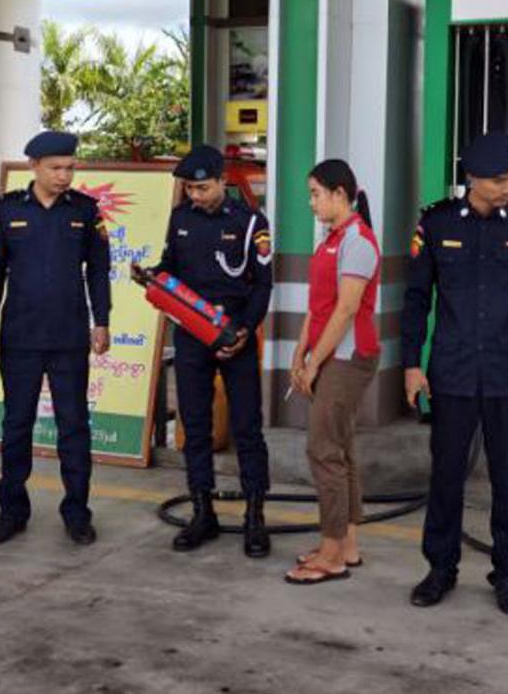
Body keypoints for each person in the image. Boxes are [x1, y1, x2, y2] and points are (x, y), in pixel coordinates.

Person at [402, 132, 508, 614]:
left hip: (507, 371)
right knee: (446, 474)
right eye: (498, 180)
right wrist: (411, 364)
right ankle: (440, 568)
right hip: (452, 371)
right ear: (471, 178)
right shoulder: (436, 223)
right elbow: (416, 300)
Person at [0, 131, 111, 548]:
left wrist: (102, 321)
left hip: (69, 337)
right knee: (16, 426)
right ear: (33, 166)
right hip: (21, 336)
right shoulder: (8, 211)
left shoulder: (85, 211)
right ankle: (12, 512)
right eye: (55, 168)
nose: (64, 176)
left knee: (74, 428)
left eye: (70, 168)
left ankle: (77, 514)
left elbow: (98, 271)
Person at [145, 145, 275, 557]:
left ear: (222, 180)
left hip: (236, 335)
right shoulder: (181, 219)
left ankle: (255, 518)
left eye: (202, 188)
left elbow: (263, 284)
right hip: (191, 337)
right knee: (195, 427)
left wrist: (245, 330)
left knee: (247, 429)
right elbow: (170, 265)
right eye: (189, 188)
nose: (195, 195)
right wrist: (153, 276)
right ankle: (203, 513)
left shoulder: (251, 222)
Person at [285, 160, 382, 585]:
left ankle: (330, 554)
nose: (311, 202)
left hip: (348, 357)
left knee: (324, 451)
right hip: (328, 354)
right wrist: (299, 353)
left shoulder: (358, 241)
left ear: (340, 194)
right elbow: (318, 306)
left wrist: (313, 364)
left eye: (315, 194)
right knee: (340, 450)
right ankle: (347, 545)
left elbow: (345, 311)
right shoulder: (332, 239)